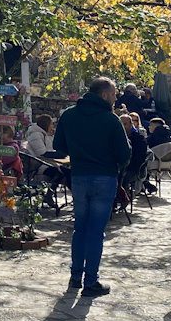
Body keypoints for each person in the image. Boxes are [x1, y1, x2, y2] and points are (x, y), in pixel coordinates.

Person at [53, 76, 131, 297]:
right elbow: (125, 154)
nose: (116, 98)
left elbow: (59, 146)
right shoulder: (110, 120)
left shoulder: (69, 115)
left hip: (79, 176)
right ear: (104, 95)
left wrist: (79, 153)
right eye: (114, 94)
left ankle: (76, 276)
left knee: (81, 228)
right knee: (96, 231)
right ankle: (91, 281)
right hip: (104, 177)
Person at [119, 114, 149, 195]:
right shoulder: (116, 138)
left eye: (125, 124)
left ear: (130, 124)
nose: (123, 127)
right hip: (118, 166)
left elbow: (139, 158)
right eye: (120, 124)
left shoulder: (139, 138)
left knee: (123, 177)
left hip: (134, 169)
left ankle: (122, 198)